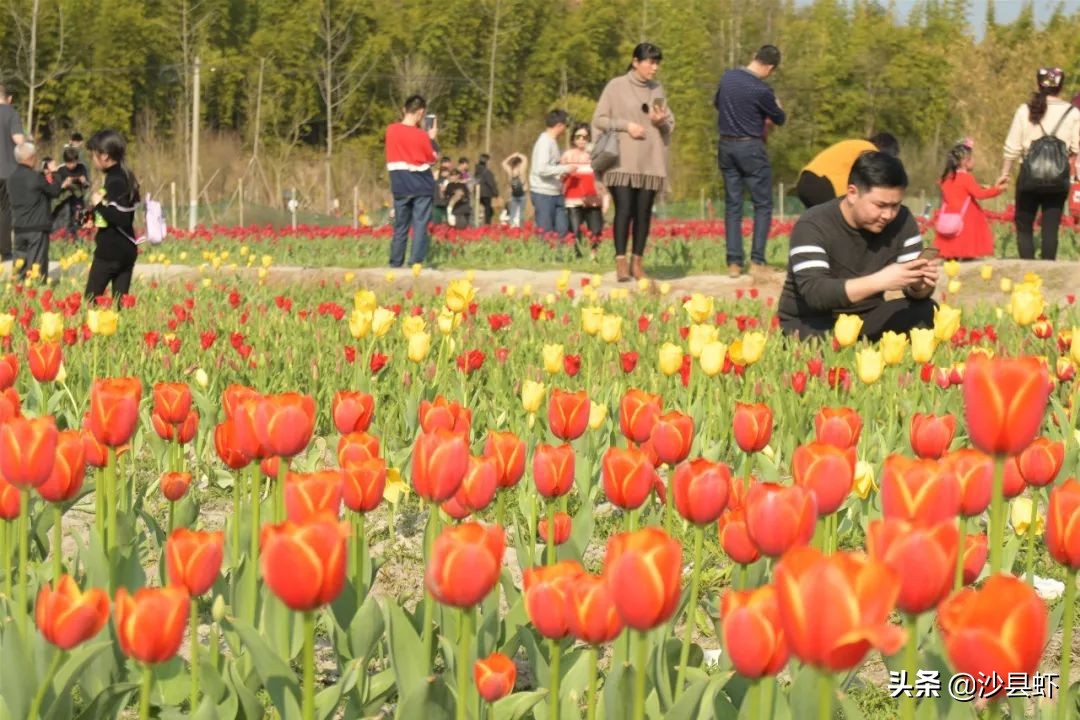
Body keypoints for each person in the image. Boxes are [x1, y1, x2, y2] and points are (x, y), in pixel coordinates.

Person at [777, 152, 941, 341]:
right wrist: (881, 280)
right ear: (853, 193)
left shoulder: (902, 221)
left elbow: (915, 294)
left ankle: (866, 347)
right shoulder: (813, 224)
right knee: (817, 343)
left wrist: (920, 286)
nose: (888, 215)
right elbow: (816, 294)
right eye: (880, 205)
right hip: (814, 320)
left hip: (868, 317)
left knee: (925, 311)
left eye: (895, 205)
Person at [592, 42, 674, 281]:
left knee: (643, 213)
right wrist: (626, 126)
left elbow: (666, 122)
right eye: (650, 62)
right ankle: (620, 261)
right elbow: (599, 119)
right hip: (622, 162)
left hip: (650, 161)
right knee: (624, 209)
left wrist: (659, 122)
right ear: (636, 62)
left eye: (657, 62)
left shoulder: (657, 90)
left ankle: (637, 262)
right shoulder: (616, 86)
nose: (654, 67)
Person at [714, 45, 785, 279]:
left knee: (733, 205)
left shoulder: (727, 77)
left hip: (725, 145)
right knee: (762, 205)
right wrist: (777, 106)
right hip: (751, 147)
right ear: (770, 67)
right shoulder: (761, 89)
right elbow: (779, 118)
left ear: (754, 57)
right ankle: (757, 261)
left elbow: (717, 104)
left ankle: (734, 263)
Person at [1000, 67, 1079, 260]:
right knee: (1050, 228)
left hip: (1028, 177)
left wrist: (1005, 173)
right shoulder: (1073, 113)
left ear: (1038, 84)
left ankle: (1027, 272)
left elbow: (1012, 147)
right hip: (1058, 177)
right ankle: (1048, 273)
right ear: (1060, 87)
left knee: (1024, 226)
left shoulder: (1025, 110)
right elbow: (1077, 148)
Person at [84, 129, 141, 300]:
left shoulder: (115, 180)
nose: (93, 160)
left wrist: (98, 205)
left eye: (94, 155)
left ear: (105, 156)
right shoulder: (126, 174)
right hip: (127, 248)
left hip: (111, 251)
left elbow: (120, 217)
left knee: (91, 301)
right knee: (121, 303)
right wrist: (93, 216)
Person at [385, 94, 439, 267]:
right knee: (420, 227)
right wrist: (432, 139)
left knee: (400, 226)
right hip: (421, 185)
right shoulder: (422, 136)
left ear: (404, 110)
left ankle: (395, 263)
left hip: (400, 184)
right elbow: (432, 159)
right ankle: (415, 263)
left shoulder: (391, 130)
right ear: (421, 113)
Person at [932, 140, 1007, 260]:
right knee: (967, 251)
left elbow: (958, 192)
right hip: (966, 221)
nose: (974, 161)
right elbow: (980, 194)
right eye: (972, 159)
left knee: (951, 253)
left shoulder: (946, 179)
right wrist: (998, 189)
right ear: (964, 162)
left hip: (950, 217)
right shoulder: (966, 178)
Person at [7, 142, 68, 283]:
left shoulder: (11, 179)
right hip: (37, 229)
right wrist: (55, 173)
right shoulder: (35, 177)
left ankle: (17, 293)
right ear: (31, 158)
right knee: (36, 268)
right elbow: (54, 191)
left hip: (19, 228)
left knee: (19, 266)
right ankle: (36, 292)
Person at [796, 132, 900, 208]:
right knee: (843, 223)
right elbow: (871, 179)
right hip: (824, 184)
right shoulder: (870, 150)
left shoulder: (856, 144)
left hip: (805, 181)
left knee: (820, 225)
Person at [561, 123, 604, 260]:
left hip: (593, 198)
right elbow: (561, 176)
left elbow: (601, 176)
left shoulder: (595, 154)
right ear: (573, 139)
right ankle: (577, 257)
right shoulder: (567, 155)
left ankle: (594, 256)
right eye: (578, 136)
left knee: (595, 229)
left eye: (585, 137)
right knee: (575, 230)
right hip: (573, 199)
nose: (581, 140)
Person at [529, 109, 573, 238]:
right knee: (546, 232)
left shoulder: (552, 142)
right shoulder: (544, 142)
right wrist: (565, 169)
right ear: (559, 125)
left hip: (556, 192)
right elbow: (541, 169)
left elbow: (552, 166)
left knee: (562, 229)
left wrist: (560, 165)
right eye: (565, 126)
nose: (565, 130)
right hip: (543, 193)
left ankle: (560, 257)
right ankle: (544, 257)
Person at [0, 86, 26, 265]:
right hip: (7, 171)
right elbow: (19, 140)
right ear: (8, 98)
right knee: (5, 210)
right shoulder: (10, 112)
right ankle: (4, 251)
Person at [54, 146, 90, 239]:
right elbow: (55, 189)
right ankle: (63, 239)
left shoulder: (82, 167)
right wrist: (64, 184)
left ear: (77, 160)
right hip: (64, 201)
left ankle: (82, 239)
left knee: (81, 223)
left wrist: (84, 181)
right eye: (68, 163)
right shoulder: (60, 170)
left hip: (79, 200)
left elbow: (87, 185)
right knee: (65, 223)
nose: (71, 165)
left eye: (73, 162)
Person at [501, 152, 528, 228]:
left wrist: (514, 155)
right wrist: (515, 155)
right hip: (518, 195)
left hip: (518, 195)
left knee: (517, 213)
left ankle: (516, 228)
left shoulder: (514, 170)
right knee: (517, 213)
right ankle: (517, 228)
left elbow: (503, 163)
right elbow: (525, 158)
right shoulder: (517, 170)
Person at [475, 153, 499, 225]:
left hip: (478, 194)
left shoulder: (477, 170)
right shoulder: (487, 172)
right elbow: (491, 183)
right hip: (486, 194)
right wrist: (496, 193)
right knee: (488, 211)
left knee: (482, 210)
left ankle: (480, 224)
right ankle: (487, 225)